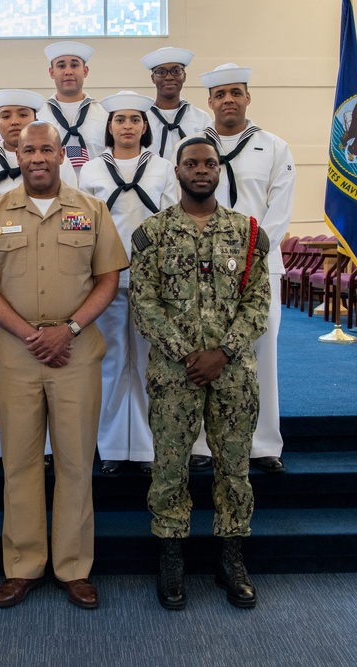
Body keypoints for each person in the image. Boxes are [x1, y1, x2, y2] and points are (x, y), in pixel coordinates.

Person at [0, 122, 127, 610]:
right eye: (28, 148)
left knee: (76, 462)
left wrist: (68, 329)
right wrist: (30, 334)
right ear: (16, 153)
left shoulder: (91, 211)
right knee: (20, 465)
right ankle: (23, 566)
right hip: (17, 353)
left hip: (75, 353)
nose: (37, 157)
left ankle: (74, 568)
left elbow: (108, 279)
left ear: (62, 155)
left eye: (46, 149)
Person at [129, 135, 270, 611]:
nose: (201, 170)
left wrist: (223, 353)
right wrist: (189, 354)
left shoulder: (249, 233)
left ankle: (231, 556)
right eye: (192, 163)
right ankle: (171, 556)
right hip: (174, 375)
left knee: (234, 468)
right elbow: (143, 303)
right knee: (170, 467)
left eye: (209, 163)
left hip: (232, 375)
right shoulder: (153, 233)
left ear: (219, 170)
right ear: (178, 171)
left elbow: (258, 303)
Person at [0, 88, 78, 477]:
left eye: (23, 114)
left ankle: (45, 447)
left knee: (48, 370)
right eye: (6, 115)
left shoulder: (60, 162)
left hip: (50, 275)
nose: (14, 121)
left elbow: (73, 212)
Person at [196, 63, 296, 474]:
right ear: (210, 102)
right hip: (202, 267)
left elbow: (279, 208)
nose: (228, 100)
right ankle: (200, 444)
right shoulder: (193, 146)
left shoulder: (274, 146)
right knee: (200, 352)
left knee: (260, 352)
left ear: (248, 97)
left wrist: (250, 254)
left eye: (235, 92)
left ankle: (263, 444)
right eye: (220, 94)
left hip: (258, 266)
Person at [77, 91, 177, 476]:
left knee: (153, 362)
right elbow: (83, 225)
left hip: (154, 279)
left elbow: (170, 221)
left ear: (145, 126)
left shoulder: (164, 167)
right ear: (109, 127)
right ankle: (115, 446)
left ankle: (152, 447)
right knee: (112, 362)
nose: (127, 127)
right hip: (107, 278)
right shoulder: (91, 170)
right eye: (120, 120)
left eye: (135, 120)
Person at [37, 41, 107, 175]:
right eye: (61, 66)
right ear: (52, 72)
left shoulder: (104, 114)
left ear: (85, 71)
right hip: (50, 192)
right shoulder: (38, 116)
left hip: (94, 192)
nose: (68, 71)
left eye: (74, 65)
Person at [140, 47, 212, 162]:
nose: (169, 77)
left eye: (176, 71)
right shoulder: (141, 118)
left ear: (184, 76)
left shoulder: (201, 118)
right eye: (161, 72)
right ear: (153, 78)